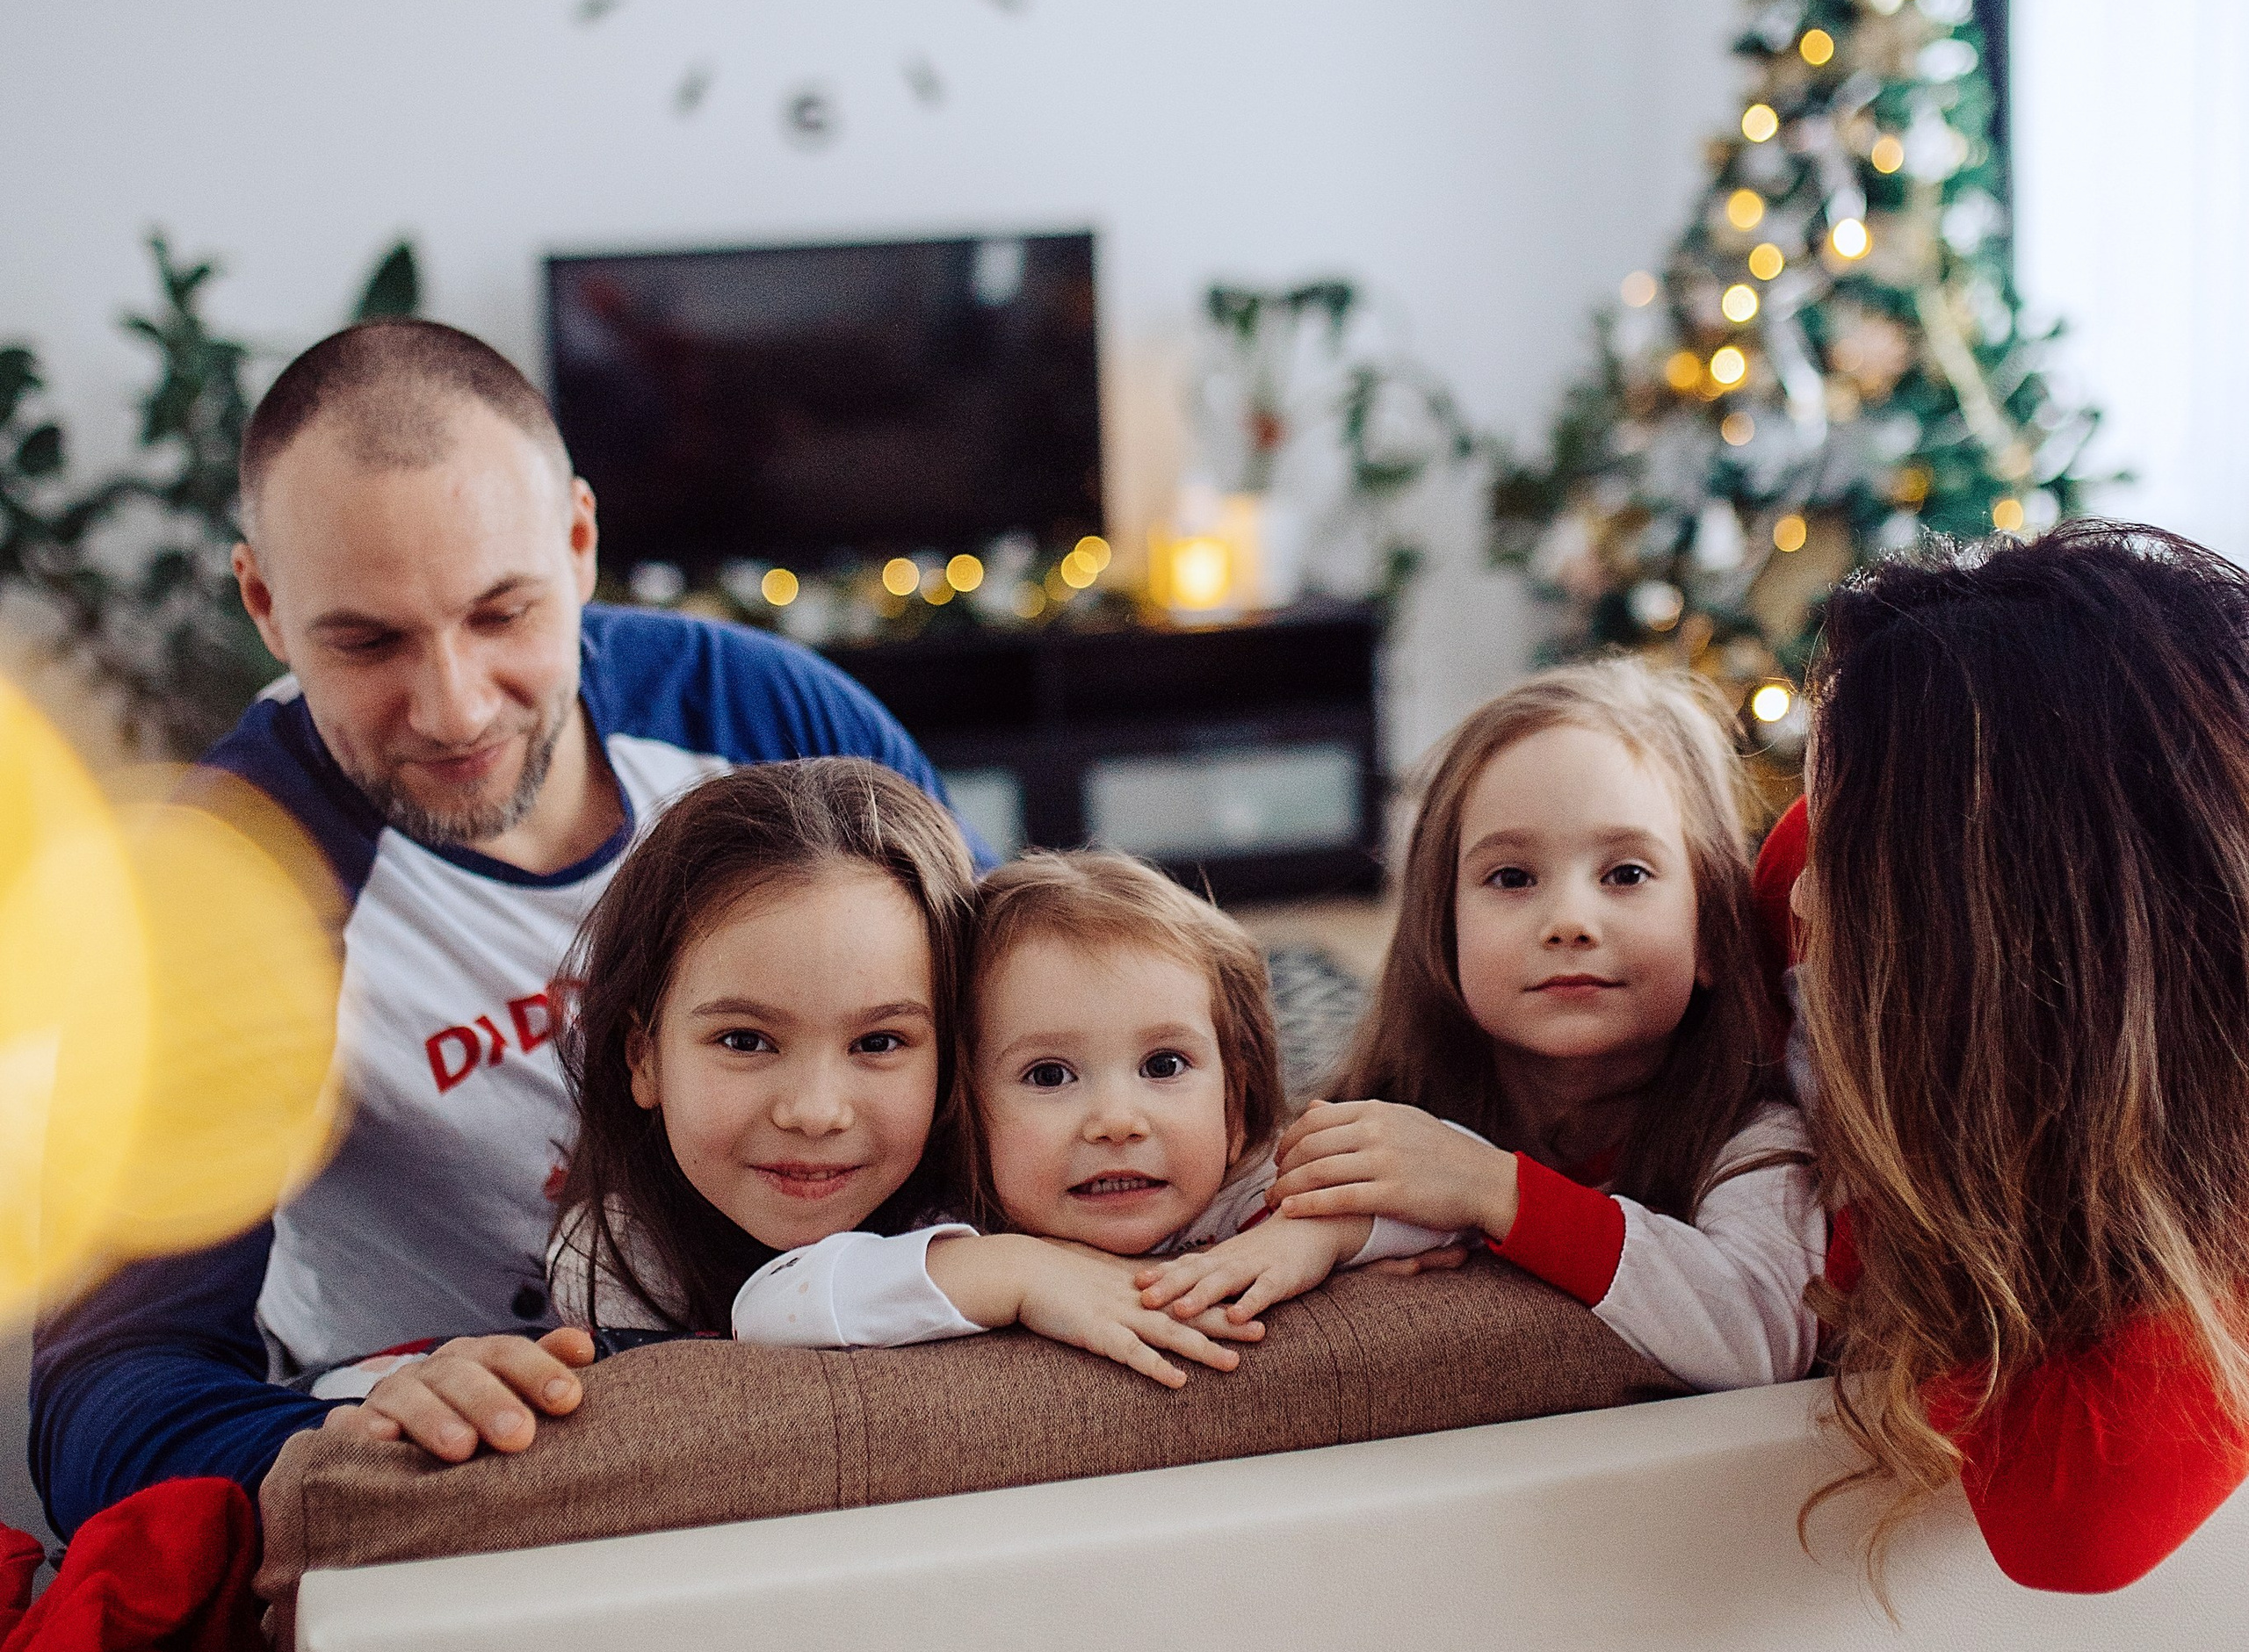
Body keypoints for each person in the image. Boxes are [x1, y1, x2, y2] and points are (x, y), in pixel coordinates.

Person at [28, 320, 966, 1533]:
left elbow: (1028, 1047)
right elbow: (106, 1404)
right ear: (264, 602)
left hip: (852, 1385)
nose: (455, 705)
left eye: (503, 614)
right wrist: (355, 1428)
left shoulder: (768, 718)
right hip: (494, 1473)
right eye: (367, 641)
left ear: (579, 545)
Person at [1758, 523, 2249, 1593]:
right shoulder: (1796, 881)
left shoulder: (2191, 1252)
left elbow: (2070, 1533)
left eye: (1843, 851)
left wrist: (1919, 1208)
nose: (1799, 884)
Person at [1143, 659, 1823, 1386]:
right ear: (1443, 932)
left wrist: (1499, 1192)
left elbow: (1764, 1333)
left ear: (1714, 935)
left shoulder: (1756, 1138)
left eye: (1626, 874)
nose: (1568, 922)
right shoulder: (1382, 1115)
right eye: (1512, 878)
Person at [532, 797, 1258, 1393]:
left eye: (879, 1043)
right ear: (644, 1057)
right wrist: (1013, 1271)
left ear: (958, 1055)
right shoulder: (619, 1260)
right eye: (745, 1041)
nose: (815, 1112)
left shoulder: (1030, 1182)